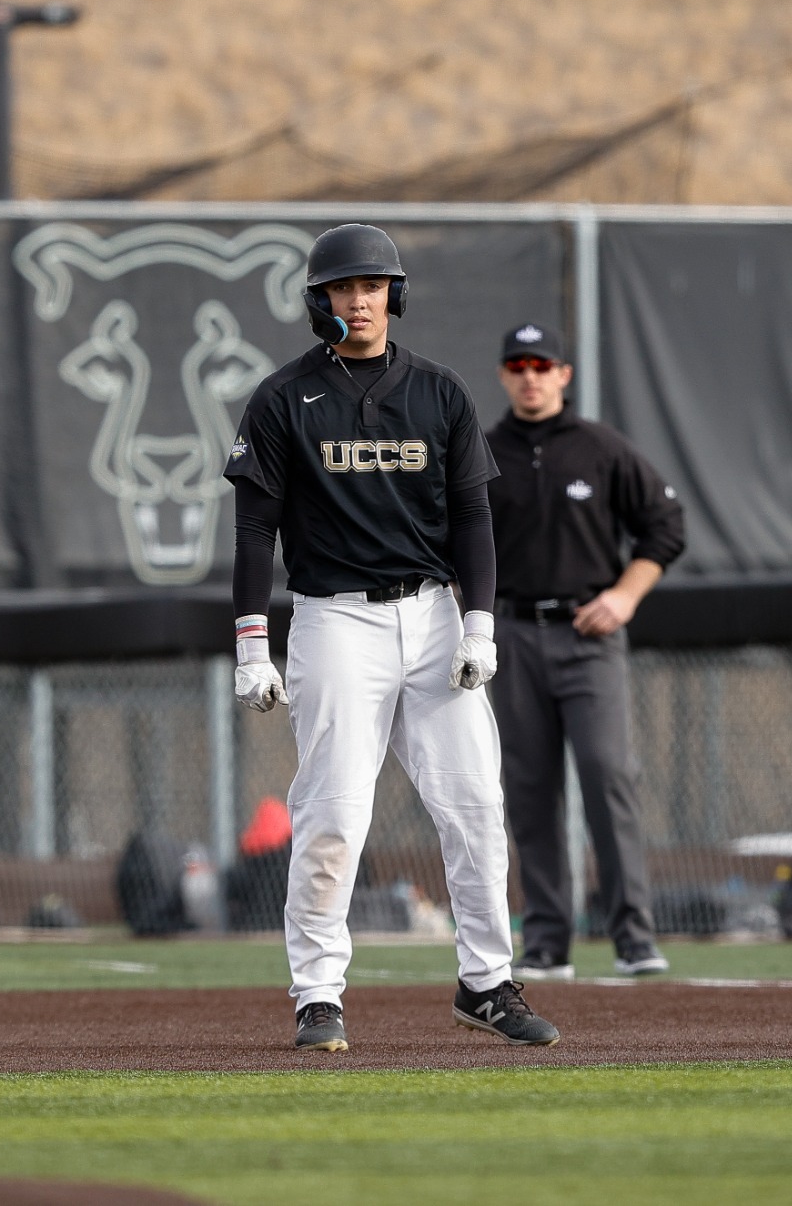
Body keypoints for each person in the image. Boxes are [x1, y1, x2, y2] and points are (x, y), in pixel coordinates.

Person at [224, 224, 560, 1052]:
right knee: (334, 812)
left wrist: (477, 622)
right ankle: (317, 995)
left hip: (433, 613)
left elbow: (475, 515)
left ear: (395, 296)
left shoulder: (439, 394)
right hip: (336, 618)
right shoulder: (282, 397)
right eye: (344, 287)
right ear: (321, 301)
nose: (361, 299)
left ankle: (486, 981)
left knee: (478, 805)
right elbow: (252, 528)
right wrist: (249, 642)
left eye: (374, 285)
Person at [484, 322, 685, 979]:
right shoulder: (484, 453)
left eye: (543, 364)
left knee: (606, 773)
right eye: (518, 364)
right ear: (504, 374)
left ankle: (633, 935)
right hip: (511, 634)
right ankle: (546, 939)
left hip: (587, 636)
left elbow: (665, 524)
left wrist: (626, 595)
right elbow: (453, 542)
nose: (530, 375)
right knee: (530, 786)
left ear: (564, 374)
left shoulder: (600, 448)